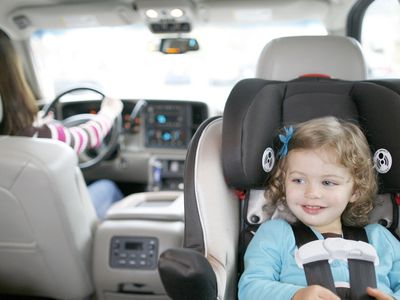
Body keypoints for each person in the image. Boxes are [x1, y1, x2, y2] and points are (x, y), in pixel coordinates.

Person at [238, 116, 400, 300]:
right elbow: (250, 288)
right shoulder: (275, 234)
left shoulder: (380, 239)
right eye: (298, 180)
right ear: (284, 183)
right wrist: (295, 295)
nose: (312, 193)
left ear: (355, 190)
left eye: (328, 182)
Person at [0, 28, 123, 219]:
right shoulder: (38, 137)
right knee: (108, 187)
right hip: (60, 239)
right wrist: (108, 112)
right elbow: (89, 136)